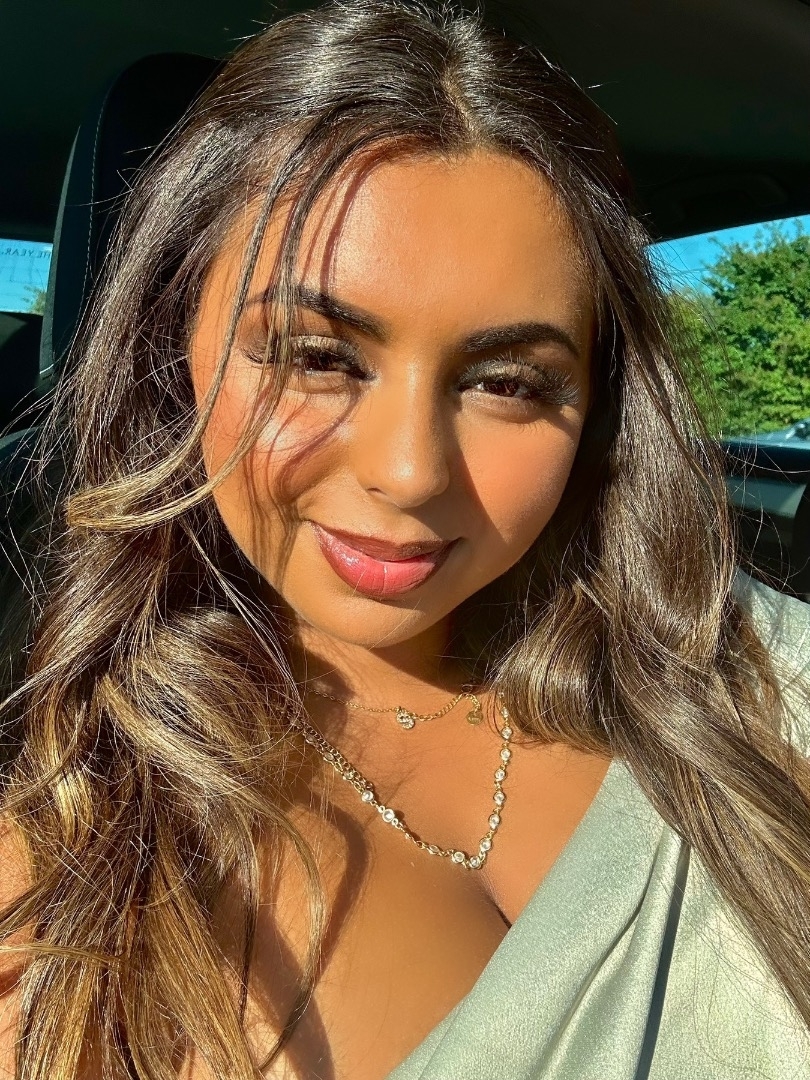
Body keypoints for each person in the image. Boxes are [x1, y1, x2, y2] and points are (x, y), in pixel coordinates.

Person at [1, 1, 809, 1077]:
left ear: (599, 401)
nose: (412, 472)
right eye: (317, 357)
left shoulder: (752, 676)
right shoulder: (76, 875)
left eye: (508, 380)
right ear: (172, 348)